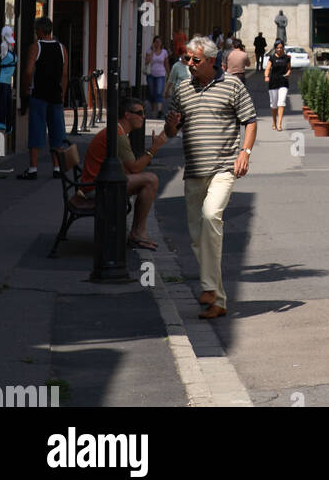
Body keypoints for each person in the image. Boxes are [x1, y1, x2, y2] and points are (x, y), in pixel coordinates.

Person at [165, 36, 257, 320]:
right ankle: (216, 299)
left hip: (222, 168)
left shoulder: (232, 85)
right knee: (198, 239)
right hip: (193, 171)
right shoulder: (182, 89)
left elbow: (250, 120)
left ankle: (208, 288)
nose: (189, 64)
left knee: (210, 217)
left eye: (195, 60)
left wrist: (245, 152)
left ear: (212, 61)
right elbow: (173, 132)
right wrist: (170, 127)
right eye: (186, 58)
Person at [81, 97, 171, 250]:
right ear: (127, 115)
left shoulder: (118, 131)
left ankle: (137, 232)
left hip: (98, 182)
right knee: (151, 180)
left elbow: (130, 169)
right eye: (139, 113)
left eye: (144, 113)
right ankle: (137, 233)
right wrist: (154, 149)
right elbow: (135, 168)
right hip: (97, 187)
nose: (143, 116)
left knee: (147, 181)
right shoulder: (119, 135)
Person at [17, 16, 67, 180]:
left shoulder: (35, 47)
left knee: (36, 131)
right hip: (56, 96)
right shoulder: (61, 48)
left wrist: (25, 90)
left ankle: (33, 169)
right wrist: (63, 93)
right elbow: (65, 74)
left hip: (39, 95)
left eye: (35, 30)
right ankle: (57, 168)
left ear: (39, 30)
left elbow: (28, 71)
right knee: (57, 133)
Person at [264, 38, 291, 131]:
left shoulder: (287, 58)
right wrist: (266, 76)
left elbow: (289, 68)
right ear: (275, 48)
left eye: (281, 47)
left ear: (283, 48)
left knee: (281, 102)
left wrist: (288, 73)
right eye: (278, 48)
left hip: (283, 82)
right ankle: (274, 122)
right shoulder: (272, 57)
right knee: (274, 104)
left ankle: (279, 124)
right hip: (273, 82)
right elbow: (267, 68)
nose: (279, 49)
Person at [144, 37, 169, 118]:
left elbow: (166, 63)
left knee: (159, 92)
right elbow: (147, 62)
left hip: (161, 75)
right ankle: (153, 110)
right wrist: (153, 52)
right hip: (151, 74)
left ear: (161, 43)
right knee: (152, 93)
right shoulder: (149, 51)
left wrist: (169, 74)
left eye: (159, 42)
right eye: (156, 42)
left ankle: (159, 111)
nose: (158, 44)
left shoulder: (164, 52)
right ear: (153, 43)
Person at [0, 26, 16, 133]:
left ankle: (2, 127)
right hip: (9, 83)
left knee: (2, 107)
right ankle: (9, 127)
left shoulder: (3, 45)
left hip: (2, 82)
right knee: (8, 107)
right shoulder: (11, 49)